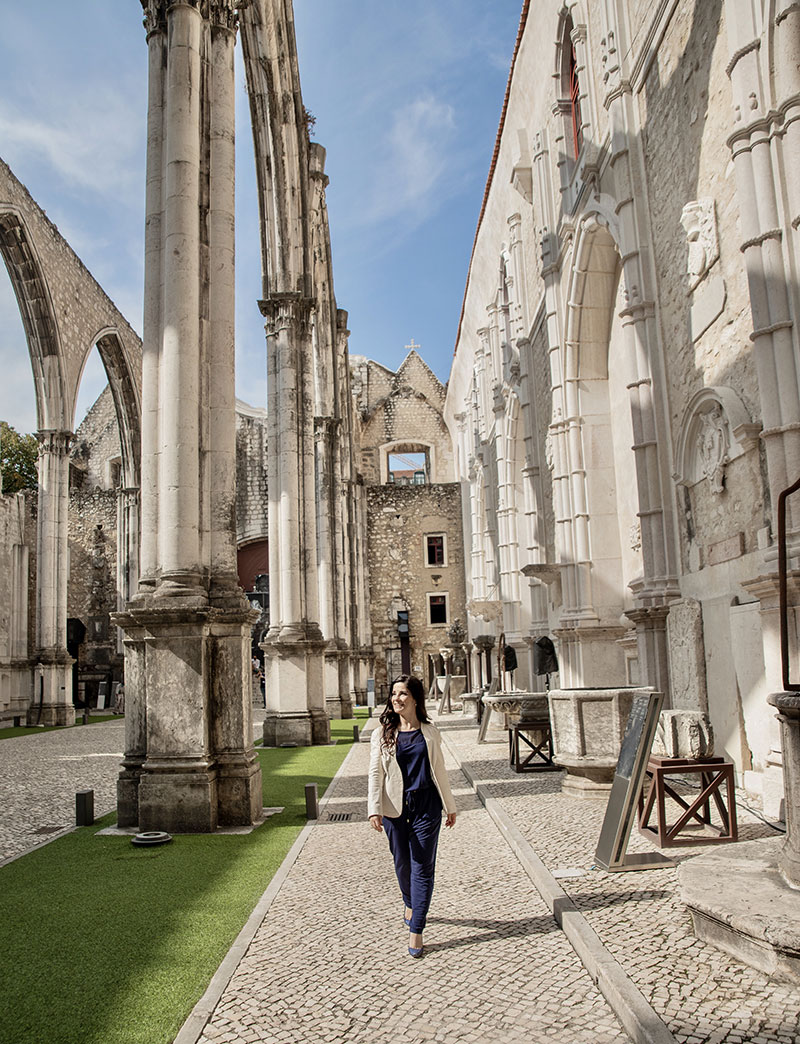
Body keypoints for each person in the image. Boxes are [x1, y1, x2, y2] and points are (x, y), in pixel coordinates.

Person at [368, 673, 457, 958]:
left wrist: (450, 805)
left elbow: (440, 769)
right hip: (395, 807)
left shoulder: (430, 732)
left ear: (415, 698)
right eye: (394, 694)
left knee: (422, 866)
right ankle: (410, 901)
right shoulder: (382, 733)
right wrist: (373, 808)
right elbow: (375, 773)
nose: (396, 698)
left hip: (427, 805)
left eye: (403, 693)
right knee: (402, 863)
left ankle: (416, 928)